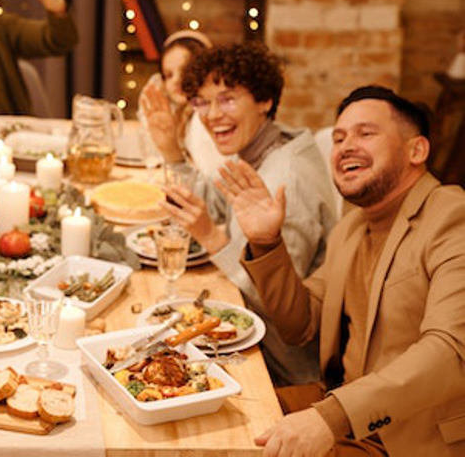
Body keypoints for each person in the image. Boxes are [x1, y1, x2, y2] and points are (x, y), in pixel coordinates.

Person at [223, 86, 465, 457]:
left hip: (409, 439)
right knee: (222, 413)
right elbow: (300, 325)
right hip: (343, 413)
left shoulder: (452, 216)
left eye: (365, 133)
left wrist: (331, 417)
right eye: (339, 137)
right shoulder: (351, 227)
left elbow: (451, 351)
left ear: (416, 150)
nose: (346, 145)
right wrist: (268, 243)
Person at [161, 43, 337, 386]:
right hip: (253, 337)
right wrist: (171, 148)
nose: (212, 115)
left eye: (227, 99)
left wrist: (212, 238)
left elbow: (279, 309)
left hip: (284, 369)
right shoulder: (264, 146)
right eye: (202, 102)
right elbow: (212, 202)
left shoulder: (286, 179)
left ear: (264, 100)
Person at [137, 30, 226, 178]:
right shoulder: (177, 115)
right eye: (168, 75)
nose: (176, 81)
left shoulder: (205, 120)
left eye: (185, 70)